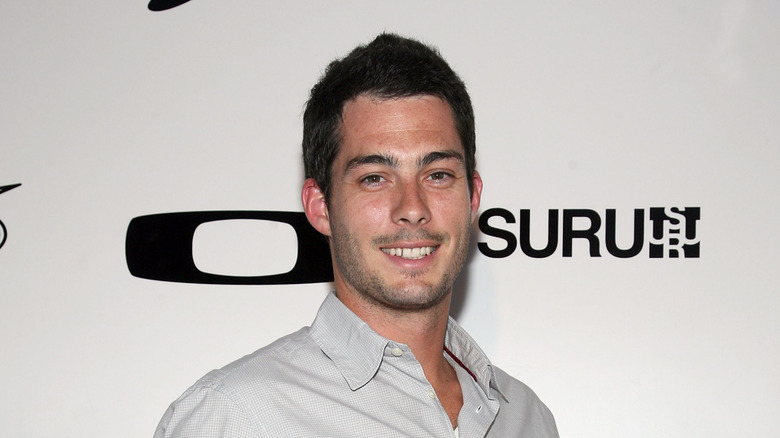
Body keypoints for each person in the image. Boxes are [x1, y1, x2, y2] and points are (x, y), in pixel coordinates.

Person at [154, 33, 558, 438]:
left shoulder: (526, 417)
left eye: (437, 175)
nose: (412, 207)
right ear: (320, 207)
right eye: (375, 178)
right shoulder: (235, 417)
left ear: (472, 199)